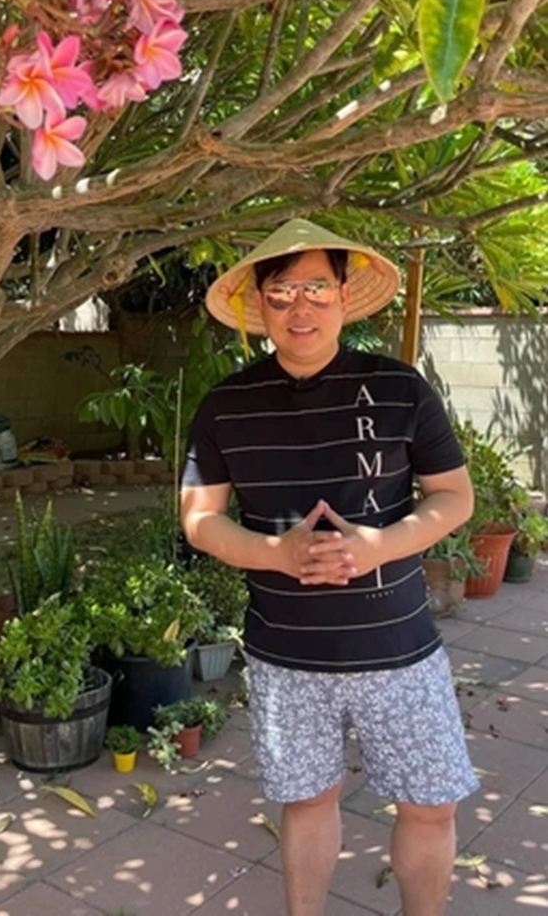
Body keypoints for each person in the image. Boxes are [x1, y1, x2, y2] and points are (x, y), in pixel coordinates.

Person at [180, 218, 478, 916]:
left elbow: (454, 497)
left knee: (430, 804)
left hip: (400, 647)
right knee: (308, 802)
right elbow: (199, 519)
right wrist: (277, 554)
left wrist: (379, 546)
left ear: (344, 294)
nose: (300, 307)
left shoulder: (401, 388)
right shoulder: (226, 405)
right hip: (287, 652)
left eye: (316, 287)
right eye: (281, 292)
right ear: (259, 305)